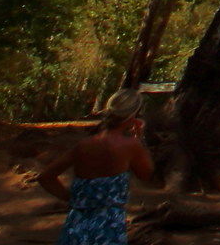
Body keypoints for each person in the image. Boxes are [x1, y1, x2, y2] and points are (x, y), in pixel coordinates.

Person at [38, 89, 155, 245]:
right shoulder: (131, 145)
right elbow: (146, 174)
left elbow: (45, 177)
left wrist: (73, 199)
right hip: (108, 224)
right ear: (134, 114)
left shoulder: (84, 145)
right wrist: (141, 138)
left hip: (77, 222)